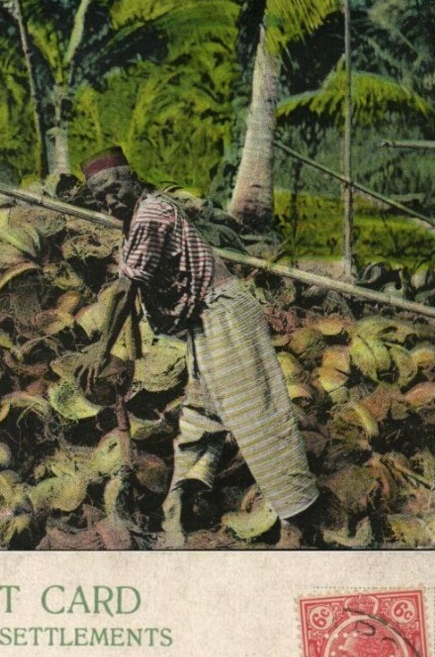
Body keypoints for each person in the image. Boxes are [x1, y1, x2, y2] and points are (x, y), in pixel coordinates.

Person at [80, 147, 321, 547]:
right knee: (200, 419)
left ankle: (297, 521)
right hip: (203, 325)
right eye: (99, 198)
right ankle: (175, 517)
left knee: (257, 418)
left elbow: (126, 290)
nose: (108, 201)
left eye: (112, 189)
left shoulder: (151, 213)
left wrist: (101, 352)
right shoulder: (135, 221)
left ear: (132, 179)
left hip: (224, 318)